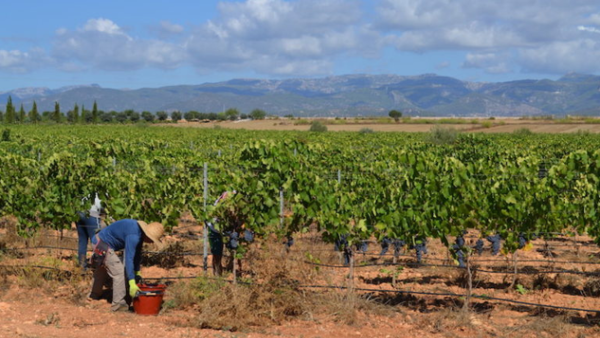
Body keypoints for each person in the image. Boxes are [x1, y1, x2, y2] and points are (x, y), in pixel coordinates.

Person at [88, 219, 164, 312]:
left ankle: (94, 295)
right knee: (119, 272)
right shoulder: (134, 236)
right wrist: (132, 282)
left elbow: (136, 255)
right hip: (101, 244)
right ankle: (118, 305)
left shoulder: (139, 233)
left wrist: (137, 272)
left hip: (99, 240)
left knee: (103, 268)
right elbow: (129, 258)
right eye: (152, 240)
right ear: (147, 235)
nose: (152, 242)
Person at [74, 194, 104, 270]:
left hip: (79, 213)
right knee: (97, 241)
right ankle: (98, 267)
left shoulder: (84, 184)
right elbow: (101, 204)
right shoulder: (101, 186)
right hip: (92, 214)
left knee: (82, 240)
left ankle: (82, 265)